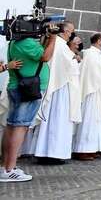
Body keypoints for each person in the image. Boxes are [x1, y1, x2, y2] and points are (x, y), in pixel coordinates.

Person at [1, 28, 56, 182]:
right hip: (27, 90)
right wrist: (53, 39)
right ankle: (9, 169)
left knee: (12, 126)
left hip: (19, 87)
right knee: (20, 127)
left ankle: (5, 167)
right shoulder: (26, 42)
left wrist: (46, 38)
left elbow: (40, 51)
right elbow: (45, 56)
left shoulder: (17, 41)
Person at [24, 21, 81, 165]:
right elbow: (68, 67)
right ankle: (52, 153)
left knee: (51, 121)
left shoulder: (58, 44)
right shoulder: (61, 45)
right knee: (57, 121)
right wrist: (75, 60)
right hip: (59, 89)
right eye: (70, 32)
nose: (71, 35)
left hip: (57, 86)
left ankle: (46, 152)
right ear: (63, 31)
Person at [72, 32, 101, 161]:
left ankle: (93, 148)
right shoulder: (90, 53)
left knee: (98, 121)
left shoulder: (98, 55)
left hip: (99, 91)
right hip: (92, 92)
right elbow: (92, 72)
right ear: (99, 41)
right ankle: (82, 149)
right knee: (89, 121)